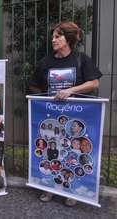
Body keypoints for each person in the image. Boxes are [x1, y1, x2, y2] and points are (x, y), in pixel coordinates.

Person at [29, 21, 102, 206]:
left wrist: (71, 90)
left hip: (76, 118)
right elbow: (34, 85)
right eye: (53, 37)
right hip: (52, 117)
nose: (53, 40)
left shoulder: (81, 59)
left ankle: (72, 190)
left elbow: (94, 83)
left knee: (72, 152)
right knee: (52, 151)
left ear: (68, 39)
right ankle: (49, 188)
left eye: (57, 36)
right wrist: (43, 100)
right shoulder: (46, 62)